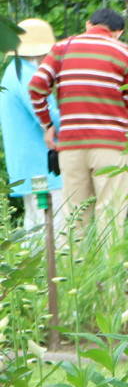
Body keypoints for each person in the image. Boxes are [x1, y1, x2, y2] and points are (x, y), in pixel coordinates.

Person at [29, 7, 128, 247]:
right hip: (111, 147)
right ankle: (111, 283)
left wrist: (48, 124)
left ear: (88, 24)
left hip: (71, 147)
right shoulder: (124, 51)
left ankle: (77, 280)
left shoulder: (62, 48)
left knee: (76, 219)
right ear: (118, 32)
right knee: (111, 217)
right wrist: (123, 122)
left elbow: (37, 87)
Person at [0, 18, 62, 231]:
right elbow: (49, 116)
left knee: (35, 226)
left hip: (28, 165)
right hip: (42, 166)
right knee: (54, 230)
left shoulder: (14, 71)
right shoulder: (26, 75)